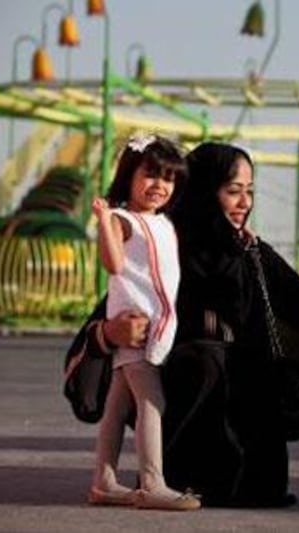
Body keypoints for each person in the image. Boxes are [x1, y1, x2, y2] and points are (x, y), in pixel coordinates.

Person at [73, 141, 299, 509]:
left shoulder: (251, 252)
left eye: (249, 192)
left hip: (252, 428)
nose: (245, 203)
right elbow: (104, 322)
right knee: (202, 359)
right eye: (233, 191)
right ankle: (154, 480)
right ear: (206, 192)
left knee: (253, 367)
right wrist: (111, 333)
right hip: (186, 395)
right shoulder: (161, 247)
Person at [87, 133, 200, 511]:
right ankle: (152, 482)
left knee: (117, 407)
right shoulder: (123, 219)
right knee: (152, 401)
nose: (159, 185)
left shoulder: (164, 223)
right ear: (128, 175)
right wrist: (104, 220)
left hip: (155, 327)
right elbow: (114, 264)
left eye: (167, 178)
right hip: (134, 327)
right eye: (150, 175)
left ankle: (103, 481)